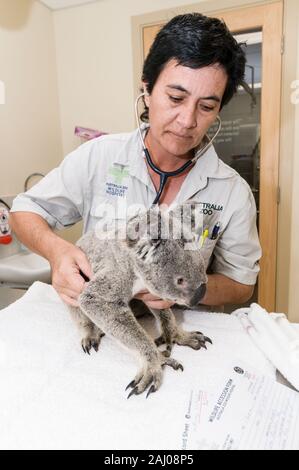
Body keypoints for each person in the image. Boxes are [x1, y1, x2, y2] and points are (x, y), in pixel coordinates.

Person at [9, 13, 261, 310]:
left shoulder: (232, 191)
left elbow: (241, 285)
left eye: (206, 106)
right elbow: (23, 212)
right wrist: (57, 253)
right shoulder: (98, 157)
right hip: (103, 326)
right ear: (147, 89)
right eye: (176, 98)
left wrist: (188, 289)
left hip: (180, 337)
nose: (187, 120)